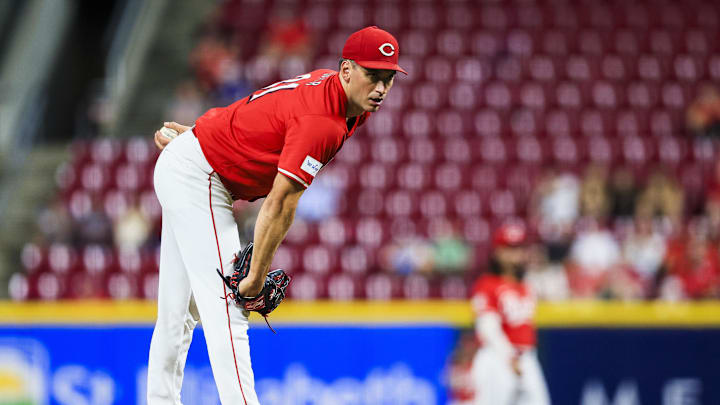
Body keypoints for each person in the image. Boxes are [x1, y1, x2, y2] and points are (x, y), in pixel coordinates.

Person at [147, 26, 406, 405]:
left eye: (388, 78)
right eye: (373, 76)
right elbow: (282, 203)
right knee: (230, 306)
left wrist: (204, 139)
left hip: (196, 161)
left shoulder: (338, 94)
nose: (381, 88)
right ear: (347, 70)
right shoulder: (324, 120)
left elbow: (263, 112)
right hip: (198, 175)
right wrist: (254, 278)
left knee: (179, 312)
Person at [470, 222, 550, 405]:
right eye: (509, 249)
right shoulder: (487, 284)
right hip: (497, 357)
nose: (515, 255)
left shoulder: (526, 285)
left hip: (527, 357)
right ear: (497, 252)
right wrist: (508, 356)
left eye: (519, 248)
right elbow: (487, 327)